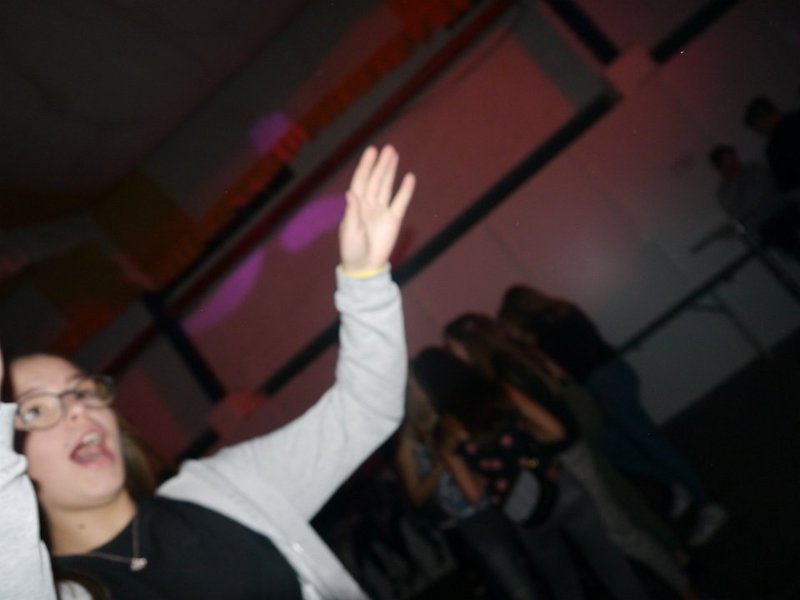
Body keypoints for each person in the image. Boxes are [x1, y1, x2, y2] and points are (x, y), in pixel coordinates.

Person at [0, 144, 415, 599]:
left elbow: (364, 410)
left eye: (81, 391)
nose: (78, 409)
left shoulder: (228, 487)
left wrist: (364, 280)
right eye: (34, 411)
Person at [443, 313, 705, 598]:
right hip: (571, 447)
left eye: (452, 348)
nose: (451, 356)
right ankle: (678, 570)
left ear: (470, 345)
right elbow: (558, 386)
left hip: (567, 455)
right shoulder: (512, 361)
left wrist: (523, 446)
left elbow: (550, 429)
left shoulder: (503, 375)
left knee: (619, 532)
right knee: (615, 522)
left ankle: (685, 587)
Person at [498, 286, 729, 547]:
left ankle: (706, 502)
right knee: (625, 446)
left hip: (602, 383)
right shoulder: (562, 311)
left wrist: (529, 345)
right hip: (612, 374)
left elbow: (564, 370)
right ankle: (681, 485)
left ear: (519, 313)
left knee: (642, 445)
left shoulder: (542, 331)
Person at [414, 347, 650, 600]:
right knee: (611, 562)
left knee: (564, 585)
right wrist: (524, 441)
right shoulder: (500, 392)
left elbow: (473, 495)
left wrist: (488, 473)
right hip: (556, 481)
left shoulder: (446, 434)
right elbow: (556, 431)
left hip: (522, 507)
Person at [396, 361, 543, 599]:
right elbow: (416, 497)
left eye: (422, 382)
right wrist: (439, 466)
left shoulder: (452, 413)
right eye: (416, 385)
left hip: (502, 494)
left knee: (540, 564)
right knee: (516, 584)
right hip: (471, 518)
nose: (424, 388)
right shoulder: (408, 442)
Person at [709, 143, 800, 262]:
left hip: (783, 208)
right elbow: (737, 212)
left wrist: (749, 205)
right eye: (728, 161)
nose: (734, 162)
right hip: (765, 224)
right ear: (720, 166)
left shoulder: (755, 169)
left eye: (733, 158)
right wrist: (736, 185)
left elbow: (764, 189)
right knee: (788, 243)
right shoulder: (724, 191)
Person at [743, 95, 800, 193]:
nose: (759, 132)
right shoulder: (796, 118)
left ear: (761, 120)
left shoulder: (774, 146)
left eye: (757, 128)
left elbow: (784, 182)